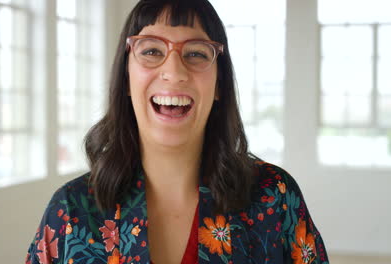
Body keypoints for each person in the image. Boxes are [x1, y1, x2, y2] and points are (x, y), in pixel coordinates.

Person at [25, 0, 329, 263]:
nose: (174, 71)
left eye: (196, 54)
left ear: (219, 83)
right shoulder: (70, 212)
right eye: (152, 51)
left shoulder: (275, 196)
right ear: (126, 77)